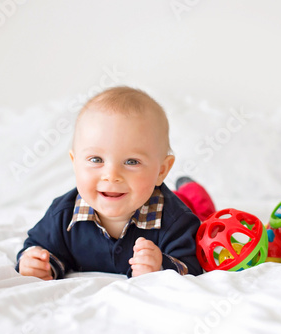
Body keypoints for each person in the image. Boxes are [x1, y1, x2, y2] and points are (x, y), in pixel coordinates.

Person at [16, 87, 213, 279]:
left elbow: (192, 265)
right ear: (75, 163)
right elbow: (38, 246)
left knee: (202, 210)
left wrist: (161, 265)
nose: (111, 175)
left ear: (161, 170)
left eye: (131, 162)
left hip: (185, 205)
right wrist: (37, 263)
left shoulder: (177, 220)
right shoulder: (63, 214)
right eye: (96, 160)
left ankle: (190, 188)